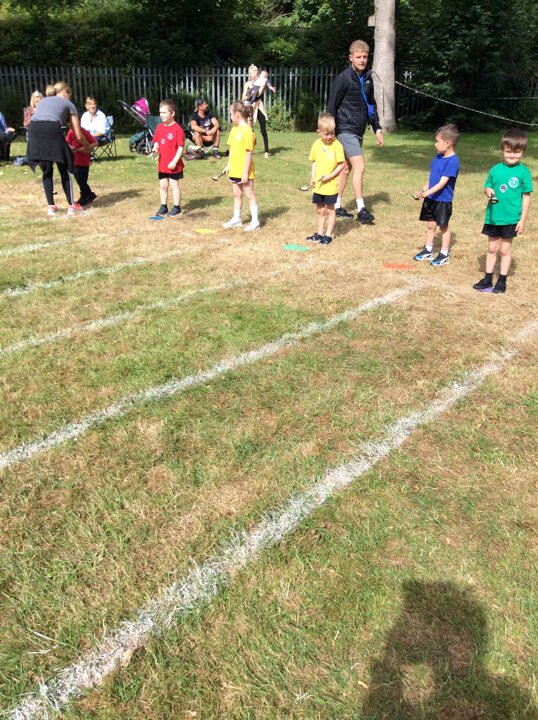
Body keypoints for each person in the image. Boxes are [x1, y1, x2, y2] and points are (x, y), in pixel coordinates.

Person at [327, 39, 383, 224]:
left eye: (365, 57)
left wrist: (377, 128)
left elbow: (371, 105)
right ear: (351, 57)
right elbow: (332, 106)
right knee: (360, 166)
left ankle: (336, 206)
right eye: (358, 57)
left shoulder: (367, 79)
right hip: (345, 129)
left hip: (358, 130)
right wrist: (330, 131)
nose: (362, 60)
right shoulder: (343, 78)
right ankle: (361, 209)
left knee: (345, 169)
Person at [473, 128, 533, 294]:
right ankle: (487, 279)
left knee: (505, 250)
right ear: (502, 150)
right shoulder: (495, 169)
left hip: (511, 218)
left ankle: (502, 281)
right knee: (492, 248)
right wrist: (488, 191)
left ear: (523, 151)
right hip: (493, 217)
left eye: (517, 152)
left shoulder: (523, 172)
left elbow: (526, 196)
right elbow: (487, 186)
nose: (512, 155)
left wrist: (522, 220)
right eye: (508, 152)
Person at [27, 81, 89, 216]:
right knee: (64, 168)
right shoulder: (68, 104)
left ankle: (51, 207)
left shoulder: (43, 101)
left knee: (47, 170)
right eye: (70, 95)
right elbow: (78, 134)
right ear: (66, 92)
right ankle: (72, 206)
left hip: (34, 130)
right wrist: (87, 146)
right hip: (51, 129)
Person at [412, 124, 460, 266]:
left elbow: (442, 183)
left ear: (448, 143)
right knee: (431, 225)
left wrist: (426, 193)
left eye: (437, 141)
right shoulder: (438, 157)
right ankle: (428, 250)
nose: (435, 144)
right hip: (432, 197)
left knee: (443, 227)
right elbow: (433, 175)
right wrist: (426, 186)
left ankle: (444, 254)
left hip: (442, 200)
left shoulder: (453, 161)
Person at [305, 112, 345, 245]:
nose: (330, 137)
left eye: (332, 133)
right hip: (319, 186)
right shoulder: (316, 145)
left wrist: (330, 176)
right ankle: (320, 233)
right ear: (319, 132)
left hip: (331, 185)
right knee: (320, 210)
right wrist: (313, 177)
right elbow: (314, 162)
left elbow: (341, 165)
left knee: (330, 210)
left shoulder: (337, 145)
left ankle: (328, 235)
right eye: (326, 134)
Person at [222, 100, 260, 232]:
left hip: (245, 171)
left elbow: (249, 153)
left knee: (249, 194)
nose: (230, 117)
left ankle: (255, 221)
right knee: (236, 194)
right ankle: (237, 219)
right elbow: (232, 149)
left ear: (237, 115)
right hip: (235, 169)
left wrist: (245, 173)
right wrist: (228, 165)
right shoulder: (234, 129)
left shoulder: (247, 131)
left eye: (231, 114)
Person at [152, 98, 185, 217]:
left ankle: (177, 207)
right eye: (160, 113)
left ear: (172, 113)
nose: (161, 115)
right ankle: (163, 206)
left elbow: (181, 147)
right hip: (163, 164)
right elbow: (157, 141)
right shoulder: (159, 127)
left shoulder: (177, 129)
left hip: (173, 165)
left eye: (164, 112)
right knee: (163, 185)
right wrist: (155, 147)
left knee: (174, 185)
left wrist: (175, 161)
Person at [242, 65, 272, 159]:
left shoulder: (261, 82)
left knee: (263, 130)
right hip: (249, 107)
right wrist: (249, 96)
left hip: (258, 107)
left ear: (256, 72)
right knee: (249, 130)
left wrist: (261, 87)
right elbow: (243, 97)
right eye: (249, 73)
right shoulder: (247, 84)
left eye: (251, 73)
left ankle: (266, 151)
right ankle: (248, 150)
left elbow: (258, 94)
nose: (249, 74)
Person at [66, 124, 98, 206]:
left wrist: (85, 148)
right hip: (74, 160)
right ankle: (89, 194)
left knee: (81, 180)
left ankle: (85, 196)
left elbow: (95, 142)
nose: (71, 126)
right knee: (78, 179)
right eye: (69, 124)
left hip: (83, 160)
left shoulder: (84, 132)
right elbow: (67, 142)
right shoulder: (71, 132)